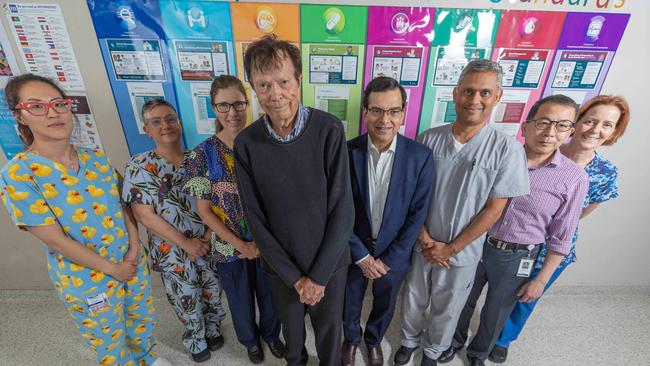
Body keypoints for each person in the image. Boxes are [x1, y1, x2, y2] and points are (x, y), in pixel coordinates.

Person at [0, 74, 170, 366]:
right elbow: (55, 239)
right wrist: (113, 269)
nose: (52, 112)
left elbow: (125, 207)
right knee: (109, 340)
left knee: (142, 322)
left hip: (131, 263)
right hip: (88, 280)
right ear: (21, 116)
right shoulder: (18, 175)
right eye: (37, 106)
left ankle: (148, 360)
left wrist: (132, 251)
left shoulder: (96, 159)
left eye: (58, 104)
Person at [395, 59, 530, 366]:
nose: (475, 100)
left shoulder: (507, 150)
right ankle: (408, 341)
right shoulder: (429, 139)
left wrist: (452, 247)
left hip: (463, 250)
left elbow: (496, 208)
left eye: (484, 92)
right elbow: (412, 196)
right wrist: (427, 240)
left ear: (497, 97)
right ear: (455, 94)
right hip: (423, 242)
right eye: (468, 91)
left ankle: (432, 352)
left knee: (449, 304)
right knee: (414, 297)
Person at [234, 34, 354, 366]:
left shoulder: (328, 129)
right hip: (282, 268)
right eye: (264, 85)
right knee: (293, 337)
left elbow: (343, 209)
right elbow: (255, 219)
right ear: (254, 89)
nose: (275, 94)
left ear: (298, 81)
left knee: (330, 334)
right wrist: (295, 278)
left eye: (283, 81)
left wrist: (316, 277)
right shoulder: (246, 143)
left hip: (328, 264)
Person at [447, 95, 589, 366]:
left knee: (496, 310)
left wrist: (541, 279)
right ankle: (453, 342)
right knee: (462, 298)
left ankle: (478, 354)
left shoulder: (574, 178)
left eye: (561, 125)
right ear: (526, 126)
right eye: (543, 122)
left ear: (570, 132)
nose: (549, 133)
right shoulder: (501, 155)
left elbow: (562, 235)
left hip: (517, 256)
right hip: (478, 243)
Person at [488, 95, 631, 363]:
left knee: (528, 295)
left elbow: (580, 215)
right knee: (499, 292)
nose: (595, 130)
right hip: (510, 236)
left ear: (614, 131)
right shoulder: (542, 147)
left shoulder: (605, 172)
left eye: (607, 125)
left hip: (550, 245)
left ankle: (503, 339)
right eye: (590, 121)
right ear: (575, 123)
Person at [182, 75, 285, 364]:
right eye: (223, 105)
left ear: (248, 103)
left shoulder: (266, 145)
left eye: (238, 103)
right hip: (228, 247)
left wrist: (263, 243)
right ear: (213, 108)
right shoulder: (201, 155)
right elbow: (204, 212)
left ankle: (272, 336)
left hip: (267, 244)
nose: (232, 112)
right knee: (239, 301)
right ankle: (250, 343)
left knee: (271, 297)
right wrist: (241, 245)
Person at [121, 99, 226, 363]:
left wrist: (205, 238)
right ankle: (196, 338)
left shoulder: (198, 160)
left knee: (213, 290)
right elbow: (142, 214)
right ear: (147, 129)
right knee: (186, 297)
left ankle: (213, 328)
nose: (165, 125)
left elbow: (217, 202)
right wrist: (185, 243)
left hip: (207, 243)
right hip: (173, 250)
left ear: (179, 123)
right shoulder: (140, 166)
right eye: (156, 122)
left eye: (170, 119)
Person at [342, 76, 434, 366]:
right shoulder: (345, 153)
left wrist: (389, 258)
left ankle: (372, 341)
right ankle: (351, 339)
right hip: (352, 250)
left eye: (394, 111)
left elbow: (417, 214)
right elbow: (338, 210)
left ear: (403, 113)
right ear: (365, 112)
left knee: (385, 303)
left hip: (394, 254)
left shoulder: (420, 156)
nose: (385, 119)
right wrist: (360, 255)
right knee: (350, 300)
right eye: (377, 110)